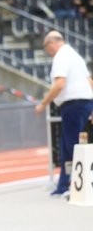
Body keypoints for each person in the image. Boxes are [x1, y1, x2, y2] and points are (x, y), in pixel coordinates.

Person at [35, 31, 93, 197]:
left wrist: (43, 103)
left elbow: (60, 84)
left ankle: (72, 185)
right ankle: (65, 183)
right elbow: (89, 81)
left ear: (51, 44)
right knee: (73, 144)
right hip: (84, 104)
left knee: (72, 146)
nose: (48, 52)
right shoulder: (76, 56)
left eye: (47, 49)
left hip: (74, 105)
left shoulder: (61, 56)